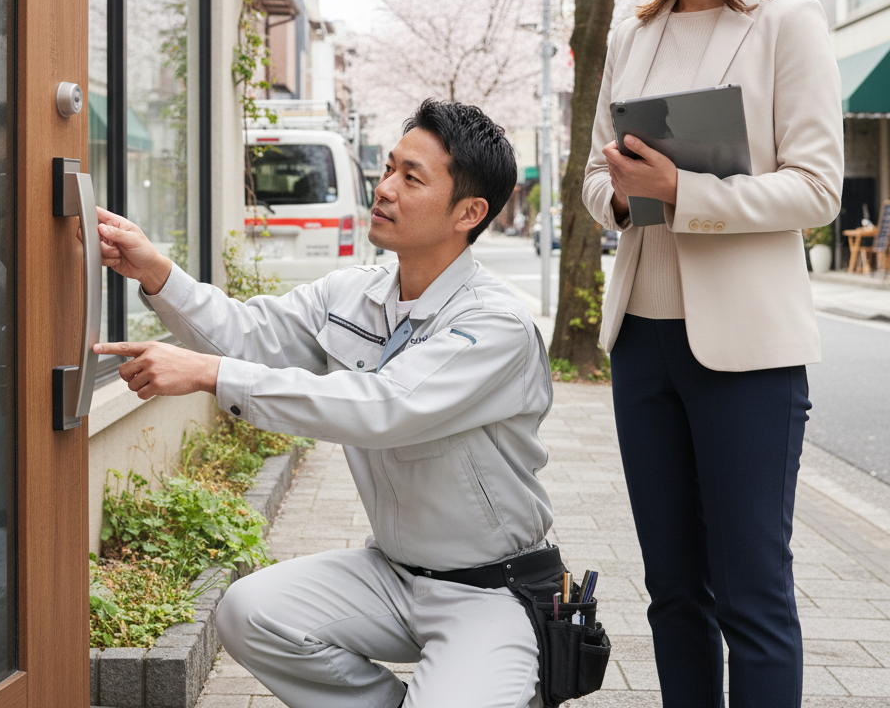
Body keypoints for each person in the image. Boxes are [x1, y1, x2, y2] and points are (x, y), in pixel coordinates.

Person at [94, 99, 562, 708]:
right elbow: (248, 333)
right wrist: (158, 274)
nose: (385, 188)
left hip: (491, 592)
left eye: (410, 178)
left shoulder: (494, 324)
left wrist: (212, 376)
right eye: (388, 168)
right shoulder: (353, 293)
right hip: (391, 575)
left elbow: (384, 406)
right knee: (248, 610)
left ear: (468, 213)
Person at [583, 0, 843, 707]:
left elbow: (817, 190)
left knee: (754, 598)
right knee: (673, 596)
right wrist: (621, 194)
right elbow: (592, 178)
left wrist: (686, 194)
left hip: (748, 356)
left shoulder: (787, 24)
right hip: (644, 346)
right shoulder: (632, 37)